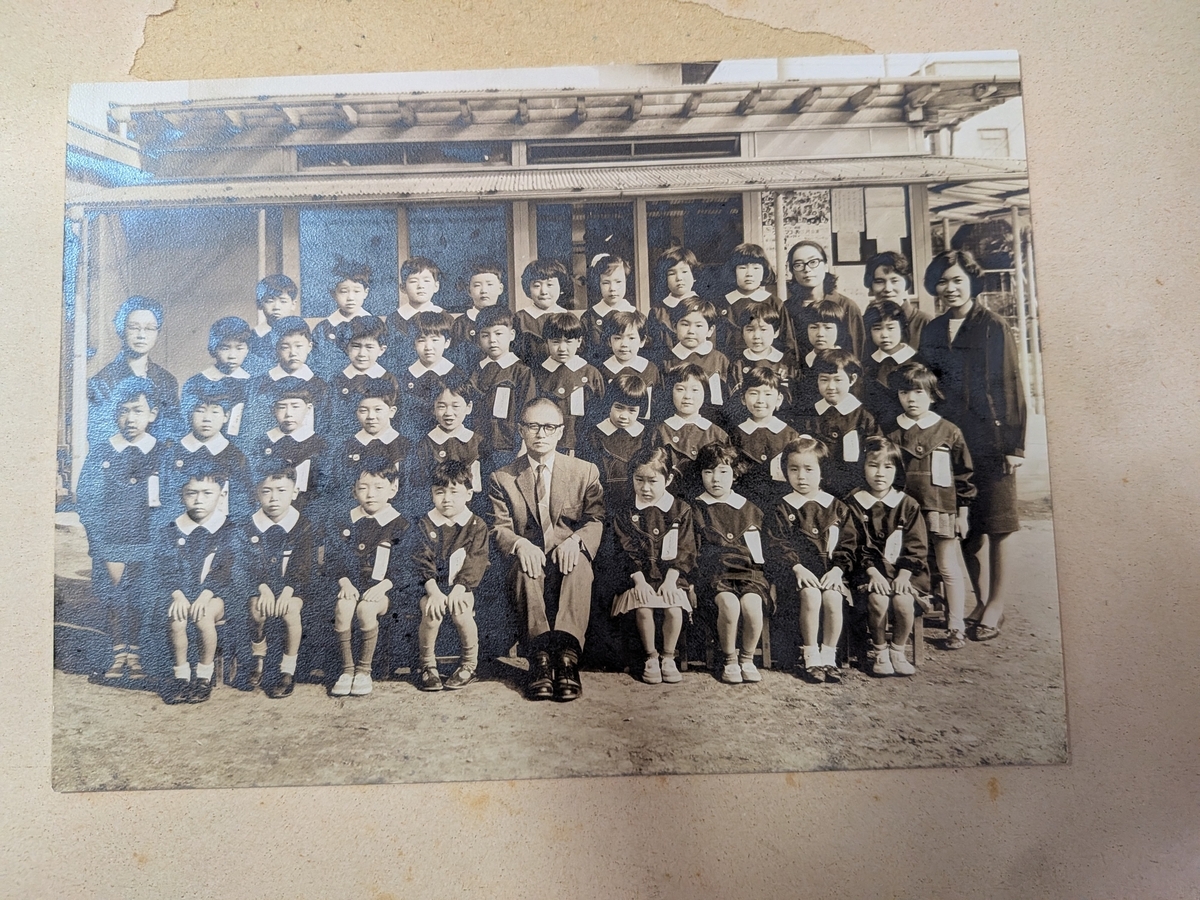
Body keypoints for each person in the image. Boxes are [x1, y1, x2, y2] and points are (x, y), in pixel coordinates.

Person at [919, 249, 1027, 641]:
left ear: (972, 283)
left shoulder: (993, 325)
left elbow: (1010, 383)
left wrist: (1013, 444)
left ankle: (995, 605)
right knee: (961, 523)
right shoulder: (933, 329)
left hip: (991, 439)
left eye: (957, 281)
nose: (950, 288)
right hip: (949, 440)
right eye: (943, 282)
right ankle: (979, 600)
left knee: (996, 523)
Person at [487, 398, 605, 702]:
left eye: (549, 427)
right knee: (525, 568)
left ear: (561, 431)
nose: (541, 433)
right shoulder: (503, 477)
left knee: (578, 565)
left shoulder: (584, 471)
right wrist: (520, 544)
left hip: (567, 551)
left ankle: (567, 659)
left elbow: (595, 519)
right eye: (533, 426)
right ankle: (539, 660)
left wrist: (576, 541)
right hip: (530, 555)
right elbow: (499, 527)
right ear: (520, 430)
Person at [77, 377, 172, 681]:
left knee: (143, 596)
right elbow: (88, 500)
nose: (130, 419)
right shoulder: (102, 452)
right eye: (123, 411)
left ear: (153, 413)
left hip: (149, 541)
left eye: (137, 410)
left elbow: (171, 500)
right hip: (112, 542)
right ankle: (119, 654)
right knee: (116, 597)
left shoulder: (162, 453)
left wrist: (159, 541)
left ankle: (139, 654)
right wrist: (100, 543)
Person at [885, 362, 976, 650]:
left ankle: (956, 625)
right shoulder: (891, 432)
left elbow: (963, 477)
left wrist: (962, 514)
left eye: (919, 393)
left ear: (932, 395)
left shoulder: (949, 431)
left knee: (947, 566)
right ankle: (900, 620)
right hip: (902, 512)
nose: (911, 399)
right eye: (904, 392)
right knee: (901, 562)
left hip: (940, 509)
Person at [765, 436, 858, 684]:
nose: (801, 477)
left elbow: (848, 544)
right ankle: (810, 655)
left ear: (822, 471)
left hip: (830, 573)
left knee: (833, 597)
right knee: (811, 594)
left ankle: (829, 655)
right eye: (794, 469)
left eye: (809, 469)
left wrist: (838, 570)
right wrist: (796, 567)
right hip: (794, 575)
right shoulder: (782, 507)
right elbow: (777, 543)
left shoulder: (837, 507)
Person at [610, 446, 699, 685]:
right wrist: (639, 581)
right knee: (644, 607)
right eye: (639, 480)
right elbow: (624, 549)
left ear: (668, 480)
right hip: (638, 576)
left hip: (671, 576)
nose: (645, 488)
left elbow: (686, 549)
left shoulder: (681, 510)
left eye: (653, 481)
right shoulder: (625, 512)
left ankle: (668, 657)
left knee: (673, 608)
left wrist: (671, 581)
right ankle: (651, 656)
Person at [326, 457, 411, 697]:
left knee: (366, 609)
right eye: (363, 488)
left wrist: (384, 586)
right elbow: (334, 558)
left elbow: (405, 565)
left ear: (393, 489)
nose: (370, 494)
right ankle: (347, 670)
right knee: (343, 607)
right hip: (351, 586)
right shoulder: (345, 522)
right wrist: (344, 582)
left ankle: (364, 671)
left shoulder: (401, 524)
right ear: (354, 490)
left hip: (386, 590)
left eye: (378, 487)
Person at [845, 436, 930, 677]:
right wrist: (872, 572)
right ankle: (880, 651)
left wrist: (904, 575)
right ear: (862, 468)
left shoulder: (908, 505)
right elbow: (853, 544)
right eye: (873, 465)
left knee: (903, 601)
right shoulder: (854, 503)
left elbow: (916, 545)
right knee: (878, 600)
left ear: (897, 470)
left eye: (888, 467)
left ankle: (897, 651)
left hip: (905, 572)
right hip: (867, 572)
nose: (880, 473)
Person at [157, 464, 238, 704]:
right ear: (181, 495)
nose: (199, 500)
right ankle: (181, 676)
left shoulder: (229, 529)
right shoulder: (172, 530)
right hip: (182, 594)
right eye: (191, 493)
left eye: (207, 493)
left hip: (216, 595)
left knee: (203, 617)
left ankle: (204, 675)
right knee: (177, 620)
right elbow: (166, 567)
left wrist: (205, 595)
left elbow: (225, 569)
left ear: (221, 494)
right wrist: (177, 595)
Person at [237, 464, 318, 698]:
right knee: (257, 610)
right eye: (267, 491)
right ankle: (258, 656)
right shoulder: (248, 526)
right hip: (260, 588)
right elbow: (246, 564)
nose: (274, 498)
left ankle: (287, 669)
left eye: (281, 490)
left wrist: (288, 591)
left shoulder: (303, 525)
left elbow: (303, 566)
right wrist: (263, 588)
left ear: (294, 492)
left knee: (290, 611)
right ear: (257, 493)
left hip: (294, 589)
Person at [693, 442, 771, 685]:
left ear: (734, 474)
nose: (715, 479)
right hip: (714, 575)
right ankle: (729, 659)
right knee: (729, 604)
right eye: (708, 472)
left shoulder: (750, 509)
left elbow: (760, 553)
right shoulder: (696, 508)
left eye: (723, 472)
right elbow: (692, 551)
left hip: (748, 574)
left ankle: (747, 658)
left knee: (752, 605)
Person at [413, 459, 490, 692]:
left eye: (454, 492)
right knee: (431, 612)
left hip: (462, 587)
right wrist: (433, 592)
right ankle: (428, 665)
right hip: (432, 588)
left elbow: (476, 560)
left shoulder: (476, 525)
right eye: (440, 492)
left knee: (461, 611)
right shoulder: (425, 523)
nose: (446, 499)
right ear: (432, 494)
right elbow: (422, 559)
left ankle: (469, 664)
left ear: (468, 494)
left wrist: (460, 588)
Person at [87, 296, 183, 445]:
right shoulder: (102, 381)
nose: (141, 335)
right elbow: (101, 435)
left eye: (149, 328)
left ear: (157, 332)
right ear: (121, 329)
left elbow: (173, 430)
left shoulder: (167, 380)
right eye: (133, 327)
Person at [796, 349, 881, 498]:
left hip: (854, 490)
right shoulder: (810, 415)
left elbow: (877, 455)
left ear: (852, 379)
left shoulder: (863, 418)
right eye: (824, 379)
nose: (830, 386)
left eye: (837, 380)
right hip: (815, 490)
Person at [166, 384, 253, 524]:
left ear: (226, 416)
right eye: (200, 411)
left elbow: (243, 501)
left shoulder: (236, 457)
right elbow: (167, 499)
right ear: (190, 413)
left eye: (215, 412)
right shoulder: (172, 454)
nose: (207, 418)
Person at [466, 305, 536, 475]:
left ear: (511, 335)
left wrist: (524, 446)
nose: (492, 340)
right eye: (485, 335)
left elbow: (527, 411)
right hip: (476, 446)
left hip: (508, 446)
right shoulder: (475, 370)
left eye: (498, 334)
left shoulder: (521, 372)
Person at [242, 316, 332, 443]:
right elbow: (252, 427)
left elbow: (325, 428)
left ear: (309, 347)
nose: (293, 353)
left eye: (299, 346)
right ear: (276, 349)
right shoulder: (257, 385)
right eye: (285, 347)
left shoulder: (321, 387)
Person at [650, 363, 729, 498]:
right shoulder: (660, 431)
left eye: (695, 390)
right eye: (680, 389)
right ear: (671, 391)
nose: (687, 396)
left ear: (705, 393)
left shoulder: (717, 434)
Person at [532, 312, 605, 456]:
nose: (562, 348)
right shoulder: (538, 374)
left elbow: (600, 411)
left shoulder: (591, 373)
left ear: (579, 341)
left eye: (569, 341)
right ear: (546, 341)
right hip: (549, 444)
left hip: (584, 444)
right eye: (556, 341)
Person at [729, 365, 800, 513]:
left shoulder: (790, 435)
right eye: (754, 393)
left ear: (779, 399)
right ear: (743, 398)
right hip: (745, 504)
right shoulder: (736, 434)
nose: (760, 400)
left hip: (782, 505)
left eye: (768, 394)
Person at [783, 239, 865, 361]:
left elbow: (857, 355)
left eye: (813, 262)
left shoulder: (846, 306)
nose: (807, 269)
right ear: (792, 271)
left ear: (826, 266)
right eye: (798, 264)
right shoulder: (786, 309)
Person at [408, 381, 482, 514]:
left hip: (469, 513)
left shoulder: (478, 443)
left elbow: (479, 487)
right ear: (433, 408)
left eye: (455, 406)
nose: (448, 413)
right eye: (441, 406)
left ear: (468, 407)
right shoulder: (425, 444)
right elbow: (419, 485)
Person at [660, 296, 732, 428]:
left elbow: (727, 399)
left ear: (710, 330)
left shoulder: (720, 360)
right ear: (674, 327)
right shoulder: (666, 361)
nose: (691, 331)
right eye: (685, 324)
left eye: (699, 325)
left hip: (712, 426)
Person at [398, 310, 467, 442]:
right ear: (413, 344)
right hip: (413, 440)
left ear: (447, 342)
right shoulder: (404, 377)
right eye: (421, 340)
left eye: (435, 340)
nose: (428, 347)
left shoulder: (458, 375)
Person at [179, 317, 253, 440]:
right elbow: (186, 423)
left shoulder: (254, 383)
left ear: (247, 350)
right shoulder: (195, 383)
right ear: (214, 348)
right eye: (225, 348)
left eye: (239, 348)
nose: (232, 355)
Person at [721, 243, 797, 360]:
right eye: (742, 267)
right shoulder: (723, 303)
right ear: (733, 271)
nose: (749, 274)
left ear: (764, 271)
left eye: (756, 268)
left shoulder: (775, 303)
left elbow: (787, 342)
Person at [329, 316, 399, 441]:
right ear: (347, 348)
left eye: (369, 347)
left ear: (381, 350)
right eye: (356, 346)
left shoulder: (389, 379)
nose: (362, 354)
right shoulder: (337, 381)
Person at [309, 259, 375, 380]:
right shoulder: (323, 329)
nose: (350, 298)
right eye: (344, 291)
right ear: (334, 294)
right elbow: (317, 363)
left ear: (365, 293)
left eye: (356, 291)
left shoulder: (375, 325)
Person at [862, 299, 922, 427]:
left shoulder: (920, 362)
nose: (884, 335)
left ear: (902, 328)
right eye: (877, 328)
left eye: (891, 328)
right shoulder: (866, 366)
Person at [863, 250, 930, 355]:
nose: (888, 289)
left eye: (895, 281)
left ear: (906, 283)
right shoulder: (864, 323)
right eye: (879, 282)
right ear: (871, 286)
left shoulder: (925, 322)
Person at [383, 257, 445, 372]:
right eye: (413, 281)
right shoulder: (394, 320)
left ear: (436, 286)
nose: (420, 285)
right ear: (403, 287)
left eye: (426, 281)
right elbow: (390, 356)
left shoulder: (445, 317)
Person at [599, 309, 660, 421]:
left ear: (642, 341)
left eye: (631, 338)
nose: (624, 344)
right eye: (617, 338)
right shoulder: (602, 370)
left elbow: (656, 405)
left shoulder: (650, 369)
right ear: (609, 341)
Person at [513, 258, 572, 366]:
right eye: (537, 285)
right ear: (528, 288)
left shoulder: (568, 317)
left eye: (550, 285)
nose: (544, 291)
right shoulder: (520, 319)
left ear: (561, 286)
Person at [579, 253, 637, 363]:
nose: (612, 288)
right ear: (598, 284)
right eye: (606, 283)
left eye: (618, 282)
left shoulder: (636, 316)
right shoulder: (589, 318)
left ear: (626, 281)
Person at [449, 259, 507, 368]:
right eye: (477, 285)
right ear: (469, 291)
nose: (484, 290)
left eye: (490, 284)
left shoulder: (508, 320)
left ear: (500, 289)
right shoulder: (460, 324)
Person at [648, 247, 701, 352]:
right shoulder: (657, 313)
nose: (679, 278)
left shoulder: (703, 308)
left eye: (684, 271)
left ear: (693, 275)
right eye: (672, 273)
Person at [246, 274, 300, 376]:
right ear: (259, 304)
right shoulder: (251, 338)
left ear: (293, 304)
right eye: (270, 301)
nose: (276, 307)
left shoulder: (302, 336)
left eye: (283, 301)